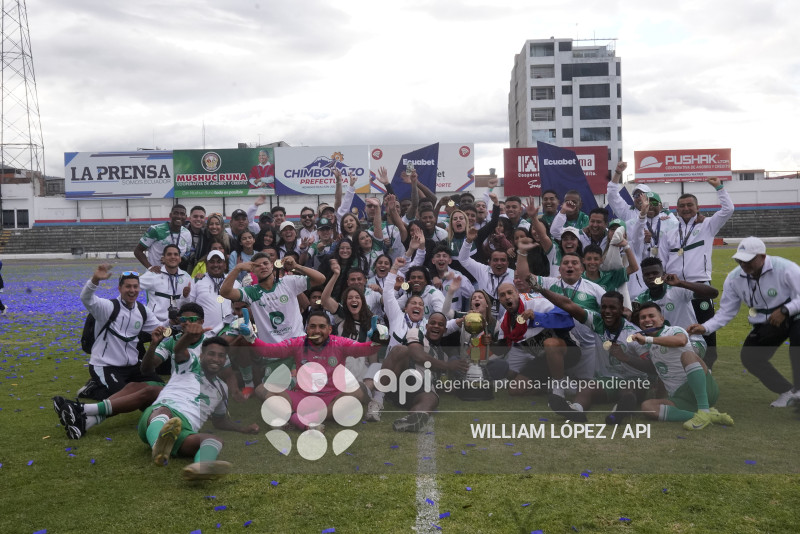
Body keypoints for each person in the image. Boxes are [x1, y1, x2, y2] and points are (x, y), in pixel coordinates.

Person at [688, 237, 800, 407]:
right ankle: (786, 391)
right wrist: (705, 327)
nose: (743, 264)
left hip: (796, 314)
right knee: (750, 357)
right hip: (766, 321)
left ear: (762, 256)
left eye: (748, 260)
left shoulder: (786, 268)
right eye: (740, 260)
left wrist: (785, 310)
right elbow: (726, 311)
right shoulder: (734, 278)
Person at [139, 337, 259, 480]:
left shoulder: (221, 388)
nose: (216, 359)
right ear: (202, 355)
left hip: (183, 431)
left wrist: (242, 429)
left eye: (221, 356)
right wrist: (187, 335)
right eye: (211, 354)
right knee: (165, 412)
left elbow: (220, 421)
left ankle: (201, 467)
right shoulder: (188, 366)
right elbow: (178, 350)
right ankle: (157, 445)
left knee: (213, 440)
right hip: (157, 417)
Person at [531, 285, 652, 424]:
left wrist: (626, 358)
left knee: (628, 389)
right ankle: (576, 410)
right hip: (607, 380)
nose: (607, 311)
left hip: (635, 380)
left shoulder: (633, 333)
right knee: (586, 388)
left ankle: (618, 412)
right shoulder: (597, 321)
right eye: (604, 307)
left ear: (621, 309)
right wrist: (541, 289)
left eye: (612, 308)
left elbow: (650, 366)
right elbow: (568, 304)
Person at [251, 311, 380, 431]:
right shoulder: (298, 343)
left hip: (331, 398)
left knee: (357, 392)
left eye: (321, 326)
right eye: (312, 326)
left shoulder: (339, 343)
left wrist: (376, 341)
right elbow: (268, 350)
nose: (317, 330)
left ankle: (304, 418)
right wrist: (251, 338)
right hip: (302, 398)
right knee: (262, 388)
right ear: (307, 329)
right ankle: (296, 418)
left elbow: (365, 350)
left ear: (329, 329)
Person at [661, 176, 734, 366]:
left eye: (690, 205)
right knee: (676, 328)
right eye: (682, 205)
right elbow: (662, 260)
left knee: (705, 329)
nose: (686, 208)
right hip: (674, 288)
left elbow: (728, 210)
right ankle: (678, 368)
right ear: (677, 209)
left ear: (697, 207)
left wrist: (719, 187)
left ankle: (707, 369)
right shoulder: (669, 233)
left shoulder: (707, 225)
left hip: (699, 286)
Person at [633, 302, 734, 430]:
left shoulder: (674, 330)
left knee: (688, 355)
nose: (647, 320)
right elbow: (663, 376)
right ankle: (704, 415)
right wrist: (659, 401)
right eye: (643, 317)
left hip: (703, 389)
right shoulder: (651, 347)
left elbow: (681, 341)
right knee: (647, 407)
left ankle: (704, 408)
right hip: (681, 399)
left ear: (661, 319)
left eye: (651, 316)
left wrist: (648, 339)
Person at [73, 264, 161, 401]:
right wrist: (95, 280)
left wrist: (175, 324)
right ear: (119, 288)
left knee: (159, 388)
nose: (132, 290)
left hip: (133, 365)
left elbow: (160, 329)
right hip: (106, 365)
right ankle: (91, 389)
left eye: (135, 286)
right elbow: (86, 298)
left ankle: (110, 386)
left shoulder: (143, 311)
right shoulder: (108, 307)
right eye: (128, 286)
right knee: (125, 397)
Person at [378, 312, 470, 431]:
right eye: (433, 323)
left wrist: (456, 387)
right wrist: (448, 366)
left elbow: (440, 383)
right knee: (400, 350)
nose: (436, 326)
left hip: (418, 391)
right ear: (426, 326)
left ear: (445, 330)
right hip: (402, 381)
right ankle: (377, 398)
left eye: (440, 324)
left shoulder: (443, 356)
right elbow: (418, 356)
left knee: (431, 397)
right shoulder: (416, 332)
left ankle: (414, 419)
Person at [495, 282, 575, 402]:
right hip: (540, 358)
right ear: (500, 300)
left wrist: (537, 317)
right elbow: (503, 345)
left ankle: (559, 390)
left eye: (510, 292)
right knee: (514, 389)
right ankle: (549, 386)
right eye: (502, 295)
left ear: (517, 293)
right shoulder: (504, 322)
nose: (507, 297)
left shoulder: (536, 302)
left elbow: (567, 319)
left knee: (550, 344)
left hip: (566, 349)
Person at [220, 252, 326, 344]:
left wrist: (296, 266)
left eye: (265, 263)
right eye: (257, 266)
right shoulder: (250, 292)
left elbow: (321, 279)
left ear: (272, 265)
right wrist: (238, 269)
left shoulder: (289, 282)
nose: (262, 267)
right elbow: (225, 292)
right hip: (271, 351)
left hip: (297, 344)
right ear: (253, 271)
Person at [635, 257, 718, 364]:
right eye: (647, 275)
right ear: (643, 277)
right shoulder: (641, 299)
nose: (651, 277)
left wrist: (680, 283)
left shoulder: (678, 289)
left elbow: (713, 293)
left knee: (675, 358)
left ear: (663, 274)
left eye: (655, 273)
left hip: (691, 342)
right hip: (662, 346)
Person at [458, 226, 514, 319]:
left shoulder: (514, 275)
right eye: (495, 260)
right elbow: (463, 259)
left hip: (507, 321)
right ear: (489, 262)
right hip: (484, 321)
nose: (499, 263)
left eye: (503, 260)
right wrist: (468, 241)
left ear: (508, 263)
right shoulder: (482, 270)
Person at [138, 244, 192, 325]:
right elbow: (132, 287)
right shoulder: (154, 274)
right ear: (163, 259)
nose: (173, 257)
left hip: (177, 324)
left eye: (176, 254)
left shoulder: (187, 277)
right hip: (155, 324)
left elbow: (190, 301)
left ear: (180, 259)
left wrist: (185, 296)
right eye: (169, 254)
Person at [189, 250, 241, 328]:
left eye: (219, 262)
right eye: (212, 262)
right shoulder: (197, 281)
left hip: (229, 332)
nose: (215, 265)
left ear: (225, 265)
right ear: (206, 265)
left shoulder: (234, 282)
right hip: (205, 332)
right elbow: (189, 305)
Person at [135, 204, 192, 270]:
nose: (179, 216)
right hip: (156, 275)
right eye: (176, 213)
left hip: (175, 275)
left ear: (185, 217)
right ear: (170, 215)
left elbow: (188, 252)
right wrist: (150, 267)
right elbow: (138, 251)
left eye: (182, 214)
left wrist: (180, 259)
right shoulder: (155, 230)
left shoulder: (187, 233)